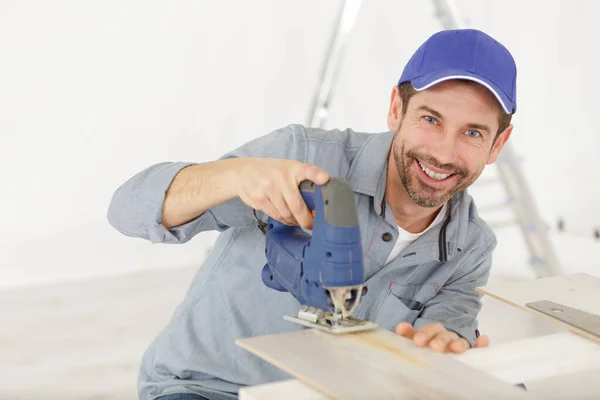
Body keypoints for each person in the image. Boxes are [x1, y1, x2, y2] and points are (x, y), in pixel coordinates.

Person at [108, 28, 517, 400]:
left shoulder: (471, 246)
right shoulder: (301, 157)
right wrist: (233, 176)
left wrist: (443, 344)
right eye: (430, 119)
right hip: (211, 390)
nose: (444, 153)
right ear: (396, 108)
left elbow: (451, 326)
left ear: (498, 144)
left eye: (472, 132)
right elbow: (126, 210)